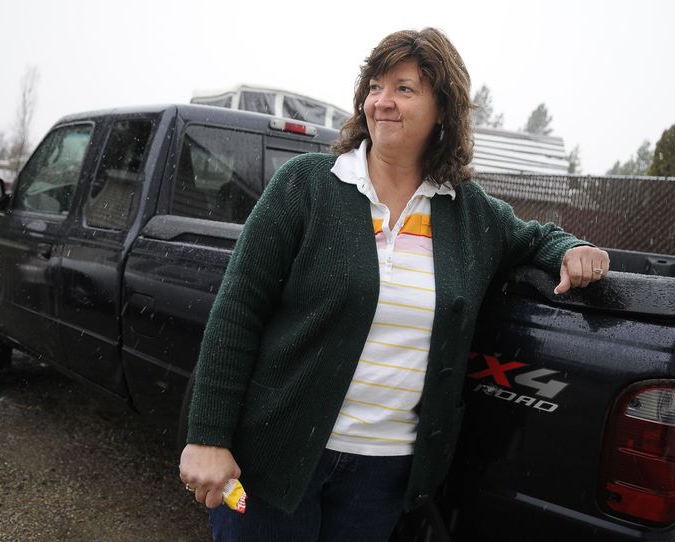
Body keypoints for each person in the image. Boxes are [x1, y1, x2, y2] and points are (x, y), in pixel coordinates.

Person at [179, 27, 609, 542]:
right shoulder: (306, 186)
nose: (382, 102)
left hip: (381, 476)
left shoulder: (469, 214)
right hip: (274, 455)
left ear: (443, 110)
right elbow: (237, 313)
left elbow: (540, 238)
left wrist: (574, 252)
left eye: (404, 89)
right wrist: (207, 436)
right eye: (375, 87)